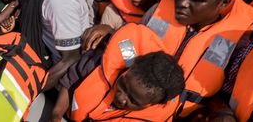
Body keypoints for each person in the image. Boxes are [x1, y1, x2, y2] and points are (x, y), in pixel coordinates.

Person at [68, 0, 253, 121]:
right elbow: (132, 52)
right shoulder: (158, 10)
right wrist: (114, 35)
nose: (181, 2)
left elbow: (224, 96)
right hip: (129, 105)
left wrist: (220, 112)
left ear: (223, 3)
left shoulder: (242, 42)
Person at [51, 49, 185, 122]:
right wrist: (56, 115)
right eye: (123, 85)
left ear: (152, 105)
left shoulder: (152, 118)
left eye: (133, 100)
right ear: (129, 67)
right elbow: (71, 80)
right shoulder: (98, 64)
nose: (122, 98)